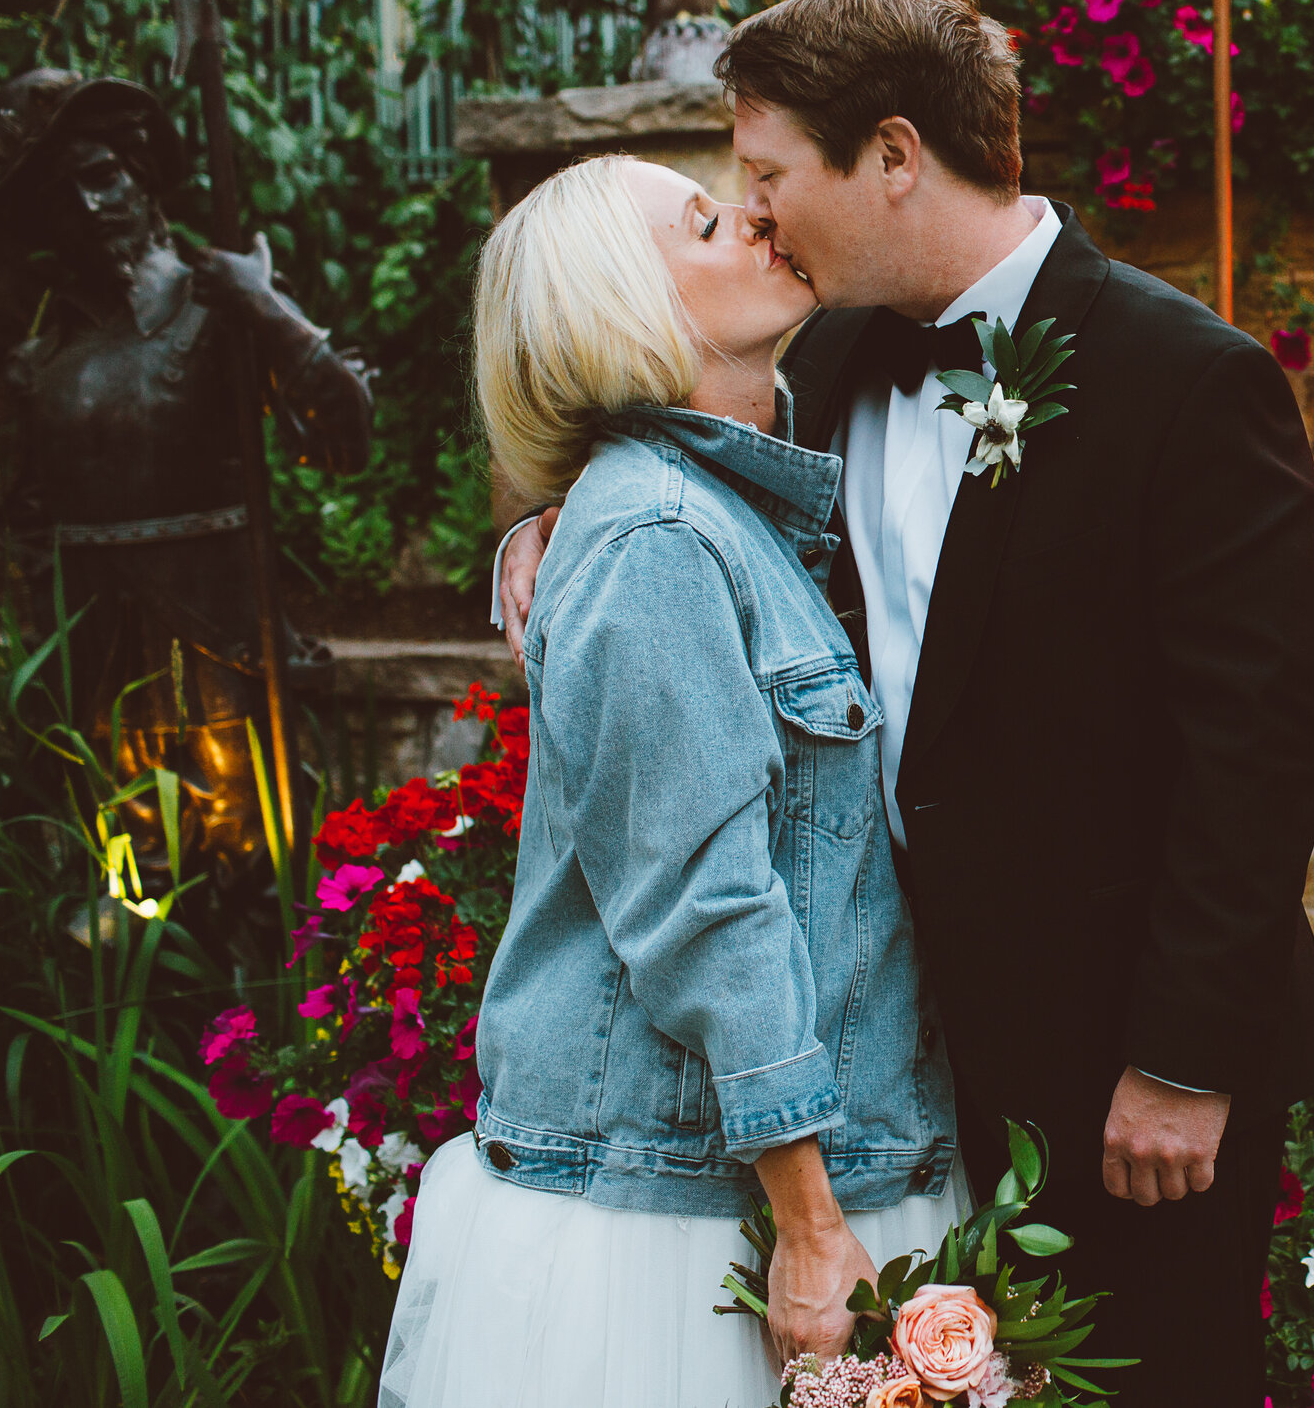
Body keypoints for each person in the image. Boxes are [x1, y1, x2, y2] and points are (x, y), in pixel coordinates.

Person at [497, 0, 1314, 1403]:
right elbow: (644, 461)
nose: (754, 212)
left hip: (1120, 1063)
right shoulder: (811, 354)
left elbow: (1257, 750)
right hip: (903, 1063)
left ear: (892, 156)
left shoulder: (1186, 381)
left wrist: (1186, 1056)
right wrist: (539, 523)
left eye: (768, 173)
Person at [385, 154, 963, 1408]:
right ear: (623, 306)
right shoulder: (656, 534)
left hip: (788, 1159)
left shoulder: (725, 505)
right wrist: (809, 1226)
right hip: (695, 1208)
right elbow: (704, 902)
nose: (752, 214)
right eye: (703, 221)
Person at [0, 69, 372, 905]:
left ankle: (276, 1034)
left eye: (102, 176)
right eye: (61, 192)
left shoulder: (222, 304)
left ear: (141, 173)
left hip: (225, 656)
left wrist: (269, 310)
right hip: (102, 673)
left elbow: (346, 436)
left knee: (259, 880)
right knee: (131, 897)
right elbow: (25, 532)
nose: (89, 207)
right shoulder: (40, 361)